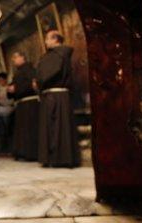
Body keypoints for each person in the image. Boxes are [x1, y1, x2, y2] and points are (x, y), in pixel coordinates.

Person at [36, 30, 80, 167]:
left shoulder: (59, 54)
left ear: (55, 39)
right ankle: (52, 158)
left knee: (59, 128)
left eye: (48, 39)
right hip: (52, 94)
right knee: (53, 128)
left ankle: (61, 159)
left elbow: (46, 74)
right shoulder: (53, 55)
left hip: (58, 95)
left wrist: (38, 81)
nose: (45, 42)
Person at [8, 51, 39, 161]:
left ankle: (31, 154)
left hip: (30, 103)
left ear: (22, 57)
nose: (13, 60)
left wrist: (16, 88)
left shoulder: (29, 70)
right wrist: (11, 90)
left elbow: (33, 85)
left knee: (29, 130)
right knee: (22, 130)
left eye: (15, 57)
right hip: (21, 104)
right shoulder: (18, 72)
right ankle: (23, 153)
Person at [0, 72, 14, 155]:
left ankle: (9, 149)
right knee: (1, 132)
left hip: (9, 111)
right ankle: (1, 150)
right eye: (0, 80)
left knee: (8, 131)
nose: (1, 82)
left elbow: (11, 101)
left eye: (3, 80)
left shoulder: (10, 89)